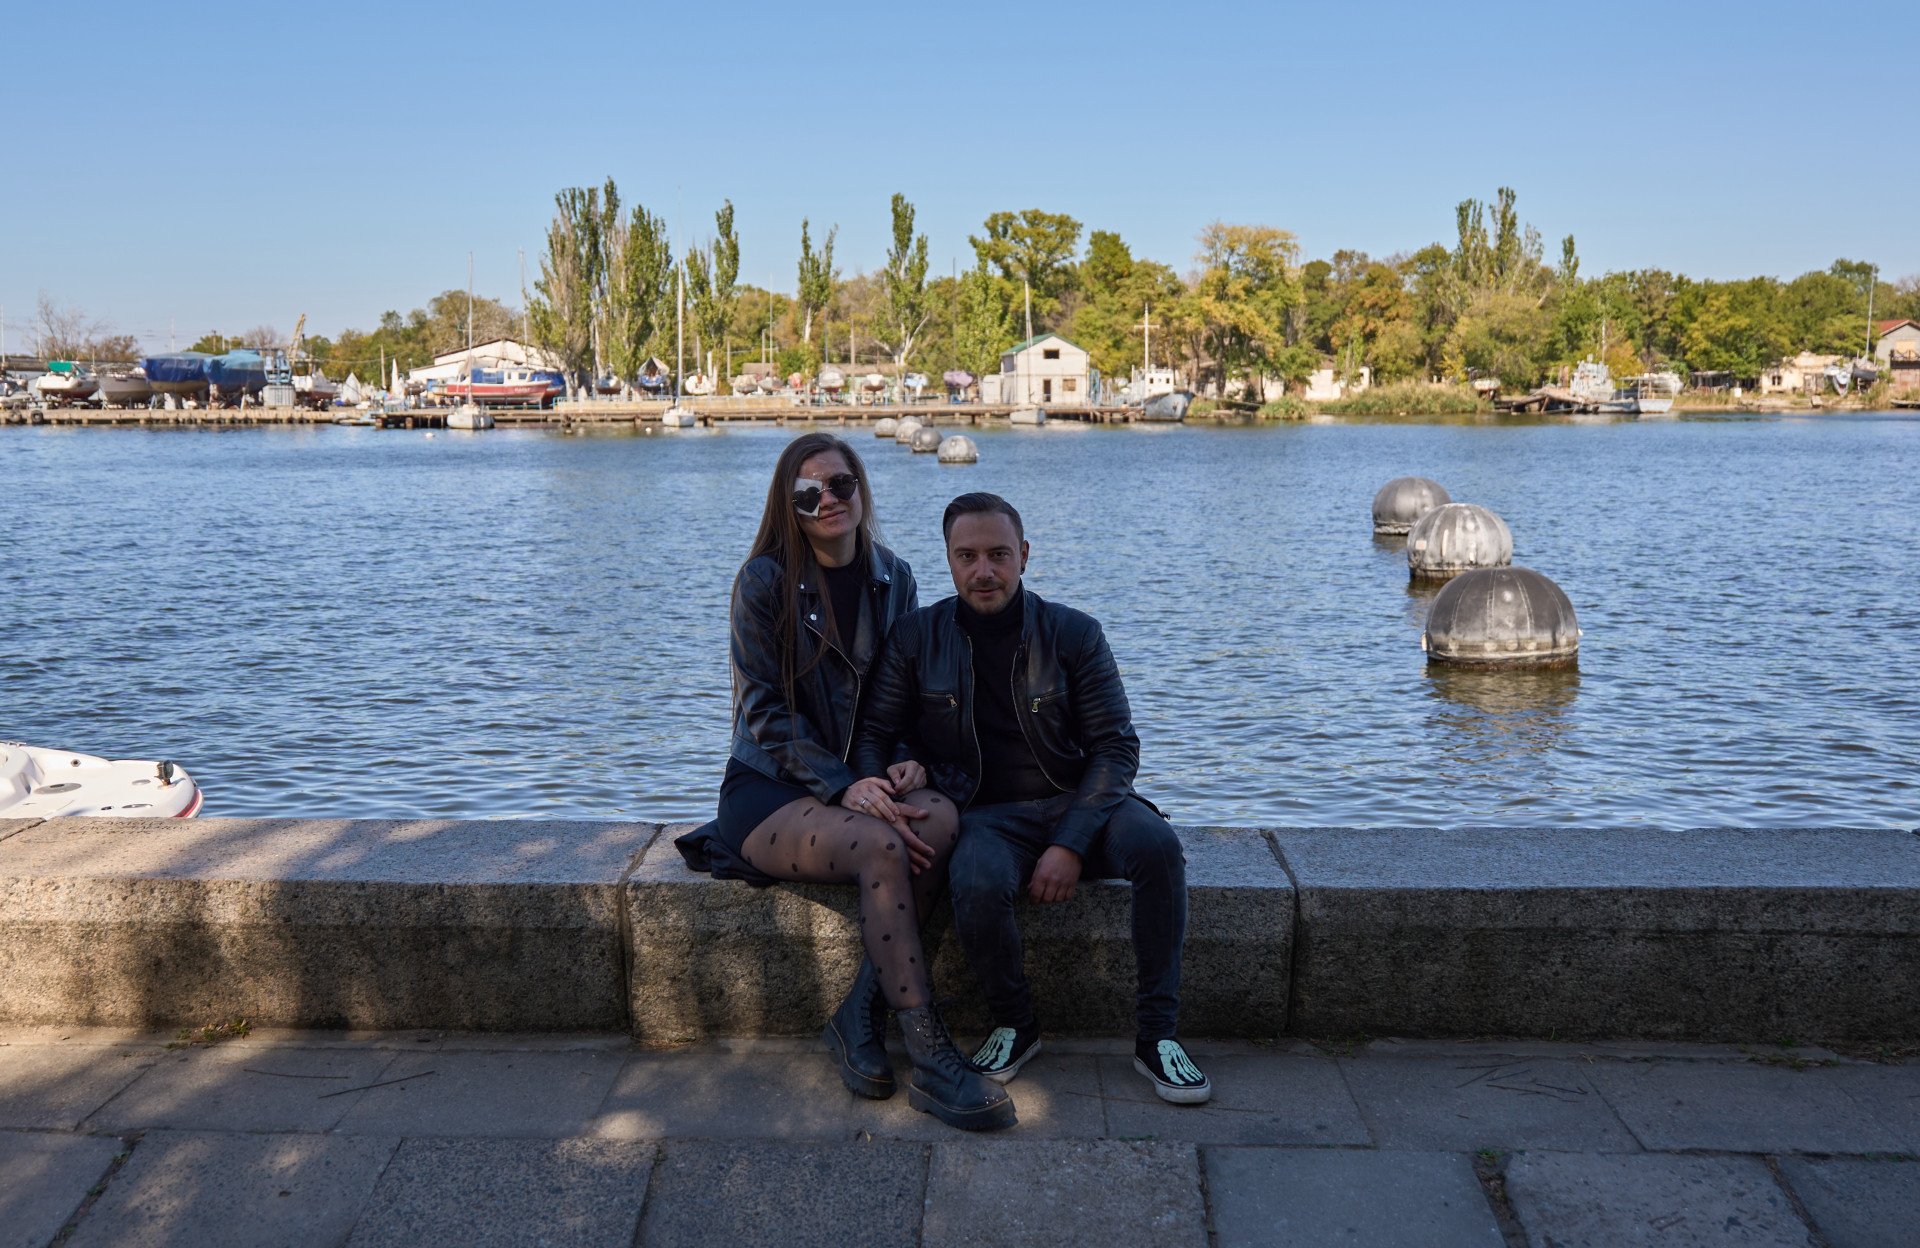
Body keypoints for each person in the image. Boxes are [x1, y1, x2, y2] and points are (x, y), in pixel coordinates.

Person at [675, 433, 1014, 1132]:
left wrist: (906, 757)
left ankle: (859, 1010)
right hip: (771, 786)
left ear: (860, 488)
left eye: (839, 484)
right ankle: (930, 1053)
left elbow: (911, 693)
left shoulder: (897, 577)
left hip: (860, 778)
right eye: (808, 493)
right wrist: (842, 786)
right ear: (789, 506)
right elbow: (765, 713)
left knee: (940, 819)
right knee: (883, 847)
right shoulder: (763, 582)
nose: (827, 500)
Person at [851, 492, 1211, 1105]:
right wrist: (886, 772)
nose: (983, 570)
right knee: (976, 879)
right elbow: (874, 733)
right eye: (967, 556)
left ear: (1024, 555)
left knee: (1158, 848)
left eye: (998, 554)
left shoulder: (1073, 633)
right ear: (948, 559)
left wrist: (1070, 844)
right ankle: (1017, 1025)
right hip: (986, 814)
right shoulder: (916, 637)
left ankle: (1158, 1037)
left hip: (1082, 800)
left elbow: (1117, 749)